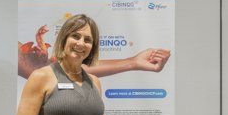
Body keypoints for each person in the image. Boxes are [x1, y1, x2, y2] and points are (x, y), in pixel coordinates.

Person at [18, 24, 171, 80]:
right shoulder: (39, 78)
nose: (80, 43)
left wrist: (133, 62)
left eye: (87, 40)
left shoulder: (93, 84)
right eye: (75, 36)